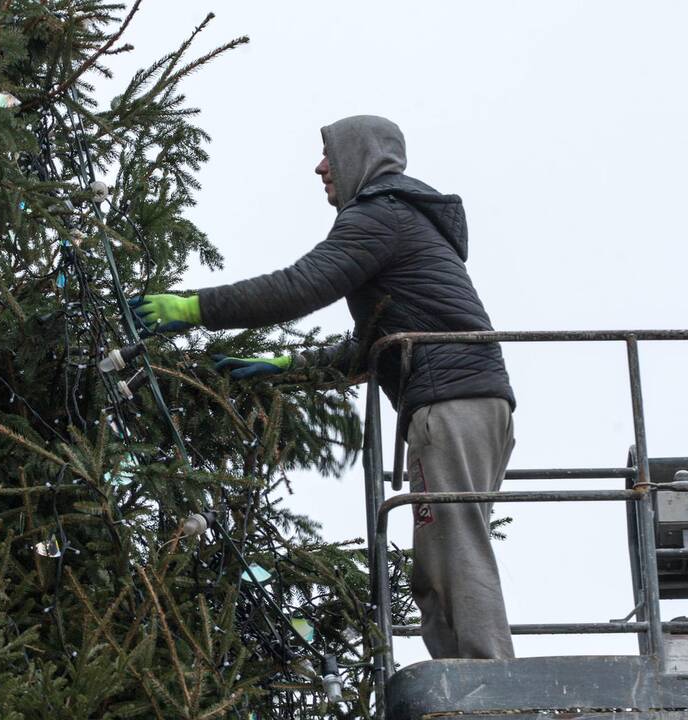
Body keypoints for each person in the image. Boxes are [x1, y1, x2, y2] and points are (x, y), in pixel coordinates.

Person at [129, 115, 517, 660]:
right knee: (436, 560)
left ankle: (486, 684)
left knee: (454, 547)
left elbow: (301, 286)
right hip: (467, 400)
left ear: (360, 157)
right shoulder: (401, 221)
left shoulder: (380, 214)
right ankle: (458, 678)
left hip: (449, 402)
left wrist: (195, 307)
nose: (319, 168)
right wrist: (288, 365)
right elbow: (374, 345)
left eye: (329, 156)